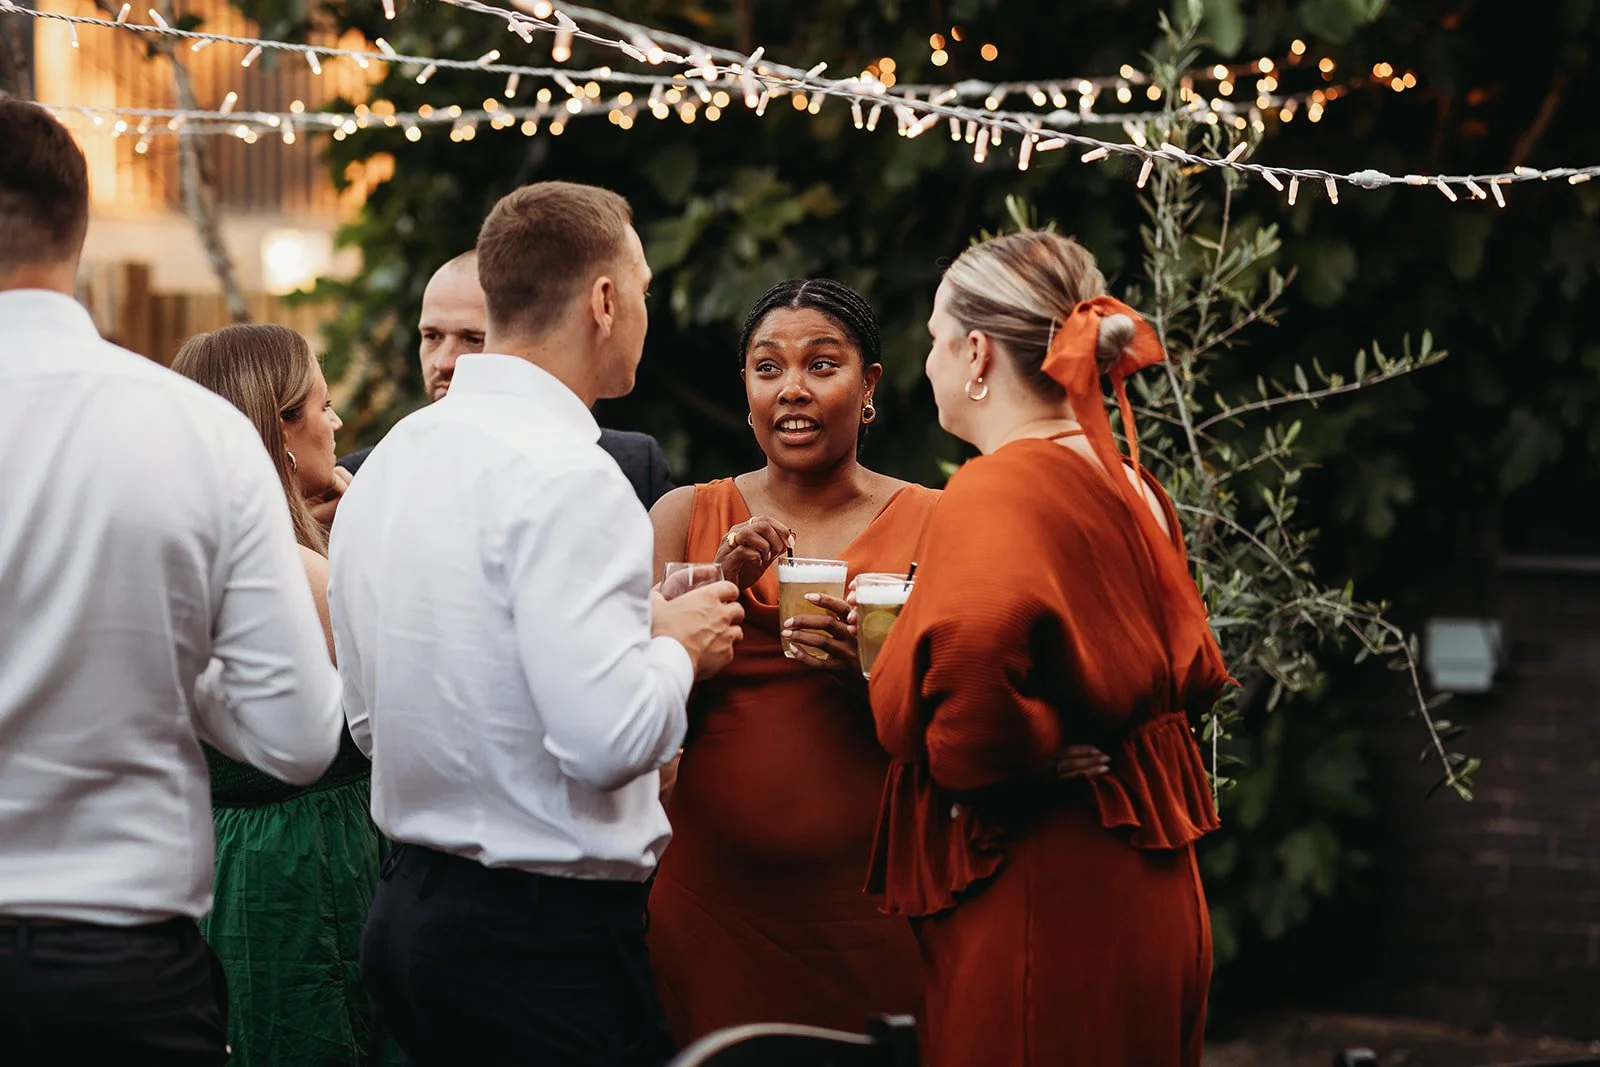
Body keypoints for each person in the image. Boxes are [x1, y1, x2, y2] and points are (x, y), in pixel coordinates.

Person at [330, 180, 744, 1066]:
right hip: (539, 946)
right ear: (603, 301)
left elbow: (368, 723)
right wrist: (677, 647)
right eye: (639, 289)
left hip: (411, 920)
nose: (643, 312)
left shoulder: (394, 458)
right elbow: (610, 739)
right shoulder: (574, 476)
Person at [0, 100, 342, 1065]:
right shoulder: (198, 433)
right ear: (76, 226)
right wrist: (163, 660)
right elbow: (299, 734)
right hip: (123, 967)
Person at [864, 230, 1231, 1067]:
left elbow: (971, 663)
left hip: (1047, 885)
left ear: (979, 353)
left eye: (932, 341)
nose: (927, 366)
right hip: (1147, 884)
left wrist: (1014, 758)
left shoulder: (998, 487)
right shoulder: (1133, 480)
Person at [645, 279, 933, 1041]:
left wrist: (865, 676)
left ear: (869, 384)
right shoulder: (685, 517)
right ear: (744, 388)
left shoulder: (939, 521)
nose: (792, 389)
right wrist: (723, 591)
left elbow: (960, 722)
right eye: (767, 367)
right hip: (711, 914)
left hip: (879, 914)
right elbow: (633, 720)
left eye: (822, 364)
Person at [172, 324, 397, 1067]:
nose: (337, 425)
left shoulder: (199, 541)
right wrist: (364, 530)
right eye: (323, 407)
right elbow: (404, 676)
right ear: (281, 431)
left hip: (223, 856)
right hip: (306, 865)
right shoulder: (291, 567)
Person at [321, 251, 674, 517]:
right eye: (431, 336)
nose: (444, 361)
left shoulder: (628, 466)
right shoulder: (361, 479)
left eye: (473, 338)